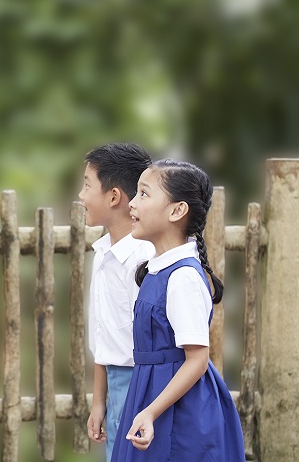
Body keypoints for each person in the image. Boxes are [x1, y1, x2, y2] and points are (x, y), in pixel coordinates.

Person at [111, 159, 244, 461]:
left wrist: (151, 411)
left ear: (176, 210)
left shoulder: (182, 277)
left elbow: (197, 360)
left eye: (143, 194)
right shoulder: (156, 270)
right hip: (151, 393)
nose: (132, 203)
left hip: (180, 409)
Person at [78, 143, 154, 462]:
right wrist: (99, 402)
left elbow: (153, 341)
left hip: (143, 385)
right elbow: (104, 336)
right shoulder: (104, 252)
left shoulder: (143, 258)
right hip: (115, 381)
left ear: (113, 197)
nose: (81, 196)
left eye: (86, 185)